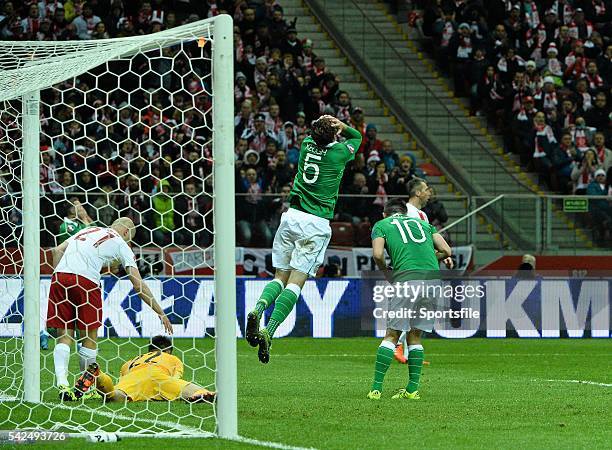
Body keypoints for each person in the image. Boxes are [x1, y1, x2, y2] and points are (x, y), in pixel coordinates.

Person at [246, 115, 362, 364]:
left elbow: (318, 132)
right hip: (316, 223)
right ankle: (269, 330)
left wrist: (324, 124)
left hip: (291, 217)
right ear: (334, 135)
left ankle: (258, 308)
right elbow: (357, 137)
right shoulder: (340, 153)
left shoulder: (307, 145)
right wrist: (342, 126)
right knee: (295, 284)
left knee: (279, 276)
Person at [47, 217, 172, 401]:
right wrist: (160, 312)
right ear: (126, 233)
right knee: (89, 338)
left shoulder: (87, 230)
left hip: (59, 277)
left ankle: (62, 383)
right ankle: (86, 388)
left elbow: (56, 250)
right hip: (86, 281)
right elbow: (138, 285)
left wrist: (60, 278)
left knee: (64, 335)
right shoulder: (122, 244)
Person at [366, 199, 452, 400]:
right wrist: (428, 257)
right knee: (415, 336)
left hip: (406, 279)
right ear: (405, 213)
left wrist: (387, 272)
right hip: (431, 281)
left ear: (385, 214)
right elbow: (447, 251)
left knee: (392, 335)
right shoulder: (423, 224)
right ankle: (412, 390)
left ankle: (376, 389)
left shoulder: (382, 225)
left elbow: (378, 254)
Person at [394, 178, 453, 364]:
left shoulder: (422, 215)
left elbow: (425, 244)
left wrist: (444, 255)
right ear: (418, 193)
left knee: (419, 311)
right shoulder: (406, 213)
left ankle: (409, 352)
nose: (430, 192)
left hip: (423, 268)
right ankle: (397, 345)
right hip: (412, 269)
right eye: (426, 189)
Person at [73, 335, 215, 403]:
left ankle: (99, 376)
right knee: (191, 389)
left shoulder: (129, 362)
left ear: (149, 350)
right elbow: (176, 378)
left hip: (134, 375)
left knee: (114, 395)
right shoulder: (172, 358)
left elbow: (124, 377)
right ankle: (202, 394)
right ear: (169, 351)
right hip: (159, 375)